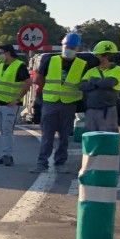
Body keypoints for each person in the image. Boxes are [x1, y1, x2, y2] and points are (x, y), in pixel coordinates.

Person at [33, 33, 87, 173]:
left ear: (78, 49)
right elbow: (38, 79)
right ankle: (42, 163)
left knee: (64, 136)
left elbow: (85, 83)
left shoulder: (82, 65)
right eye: (67, 46)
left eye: (72, 47)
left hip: (69, 104)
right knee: (47, 135)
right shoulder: (51, 60)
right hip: (50, 102)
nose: (69, 49)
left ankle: (60, 163)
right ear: (62, 46)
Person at [0, 44, 30, 166]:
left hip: (11, 105)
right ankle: (5, 155)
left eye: (0, 52)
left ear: (8, 52)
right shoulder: (2, 65)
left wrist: (17, 100)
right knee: (3, 131)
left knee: (7, 130)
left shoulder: (19, 66)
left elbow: (28, 83)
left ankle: (8, 155)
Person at [82, 40, 120, 133]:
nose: (98, 56)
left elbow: (110, 83)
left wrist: (93, 81)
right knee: (91, 137)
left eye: (100, 54)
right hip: (91, 110)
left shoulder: (118, 70)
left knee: (109, 137)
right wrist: (100, 83)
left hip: (108, 110)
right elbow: (83, 86)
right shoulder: (91, 71)